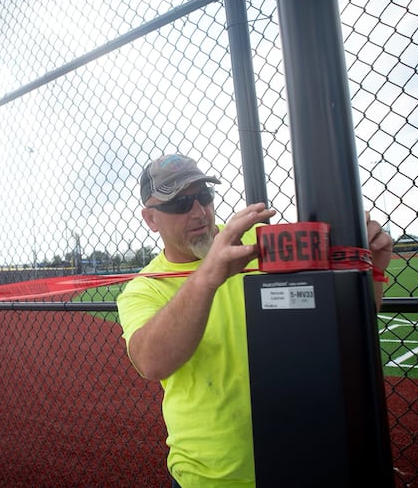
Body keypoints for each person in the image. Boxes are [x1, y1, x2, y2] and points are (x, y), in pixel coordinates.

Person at [116, 154, 393, 488]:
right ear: (151, 218)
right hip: (212, 476)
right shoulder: (144, 288)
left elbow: (340, 324)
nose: (199, 212)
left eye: (204, 196)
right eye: (180, 203)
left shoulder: (259, 240)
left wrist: (372, 269)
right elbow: (151, 362)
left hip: (299, 458)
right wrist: (208, 276)